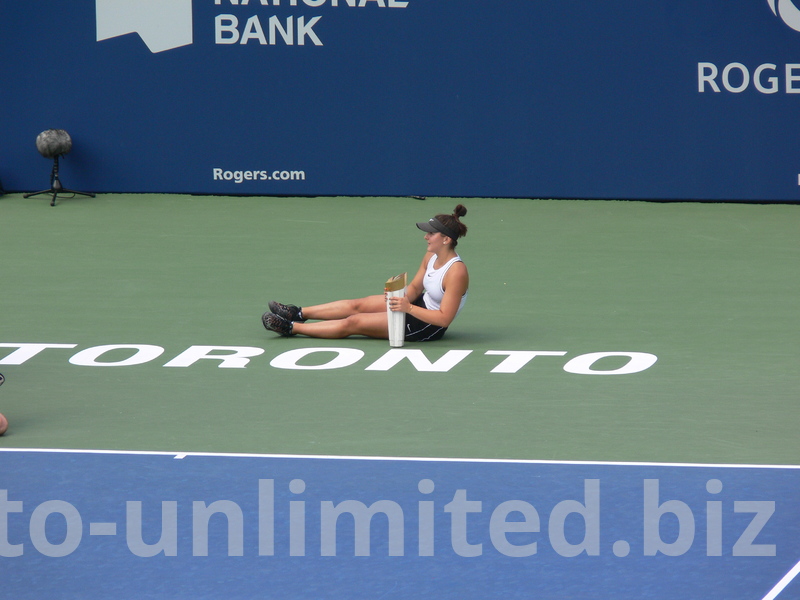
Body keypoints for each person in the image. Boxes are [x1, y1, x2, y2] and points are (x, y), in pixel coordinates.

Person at [262, 205, 469, 341]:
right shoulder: (431, 256)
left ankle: (291, 327)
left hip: (427, 325)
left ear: (446, 240)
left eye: (431, 234)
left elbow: (443, 319)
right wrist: (400, 297)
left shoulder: (456, 272)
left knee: (355, 321)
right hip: (416, 306)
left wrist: (408, 308)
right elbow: (416, 287)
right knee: (358, 305)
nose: (426, 237)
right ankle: (298, 312)